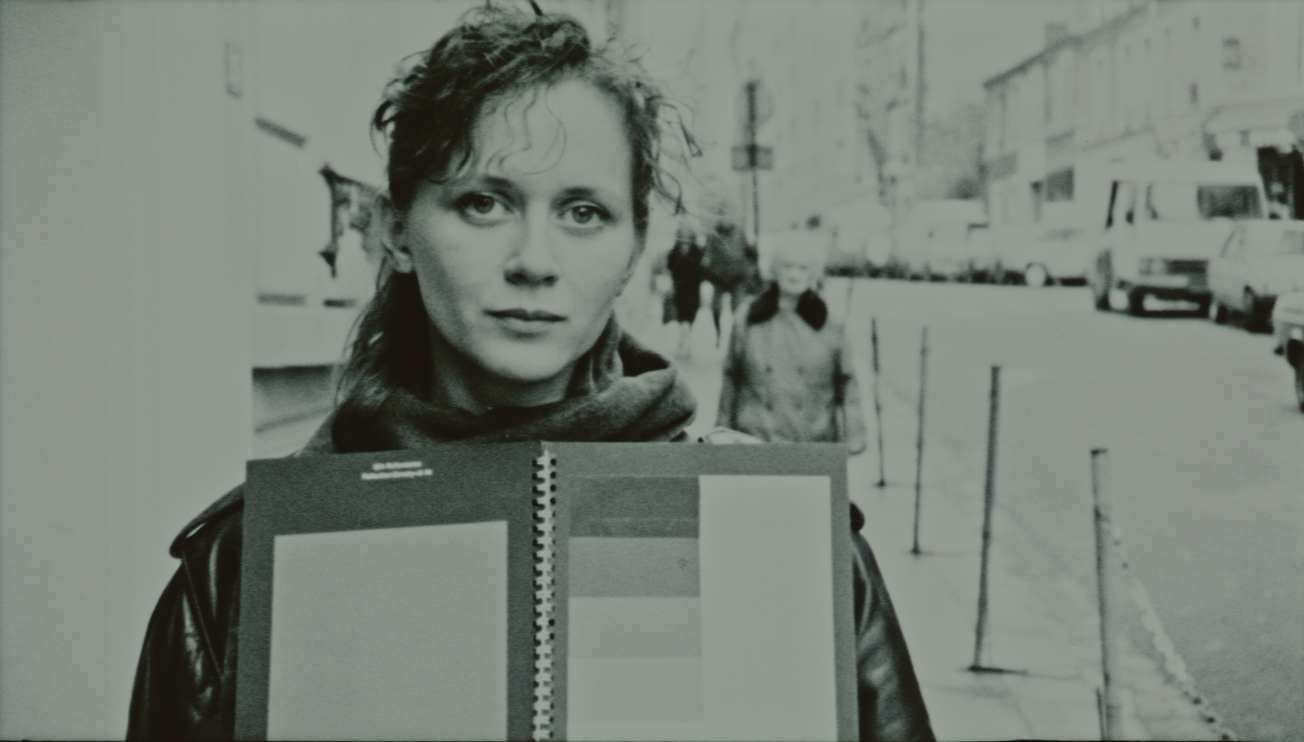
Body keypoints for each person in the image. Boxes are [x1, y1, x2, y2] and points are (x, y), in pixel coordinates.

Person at [126, 6, 931, 741]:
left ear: (632, 249)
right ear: (395, 231)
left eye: (584, 212)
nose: (535, 261)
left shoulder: (781, 535)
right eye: (484, 202)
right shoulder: (239, 569)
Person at [717, 232, 868, 455]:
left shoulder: (829, 322)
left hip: (812, 445)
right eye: (787, 266)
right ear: (775, 270)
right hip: (755, 442)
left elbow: (847, 383)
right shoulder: (749, 319)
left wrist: (855, 434)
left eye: (803, 268)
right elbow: (731, 377)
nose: (795, 275)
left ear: (813, 273)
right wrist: (721, 433)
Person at [665, 222, 706, 358]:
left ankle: (685, 341)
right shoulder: (676, 251)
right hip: (682, 289)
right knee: (683, 315)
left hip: (691, 289)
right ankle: (685, 341)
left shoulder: (696, 251)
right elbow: (670, 267)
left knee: (689, 316)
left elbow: (701, 271)